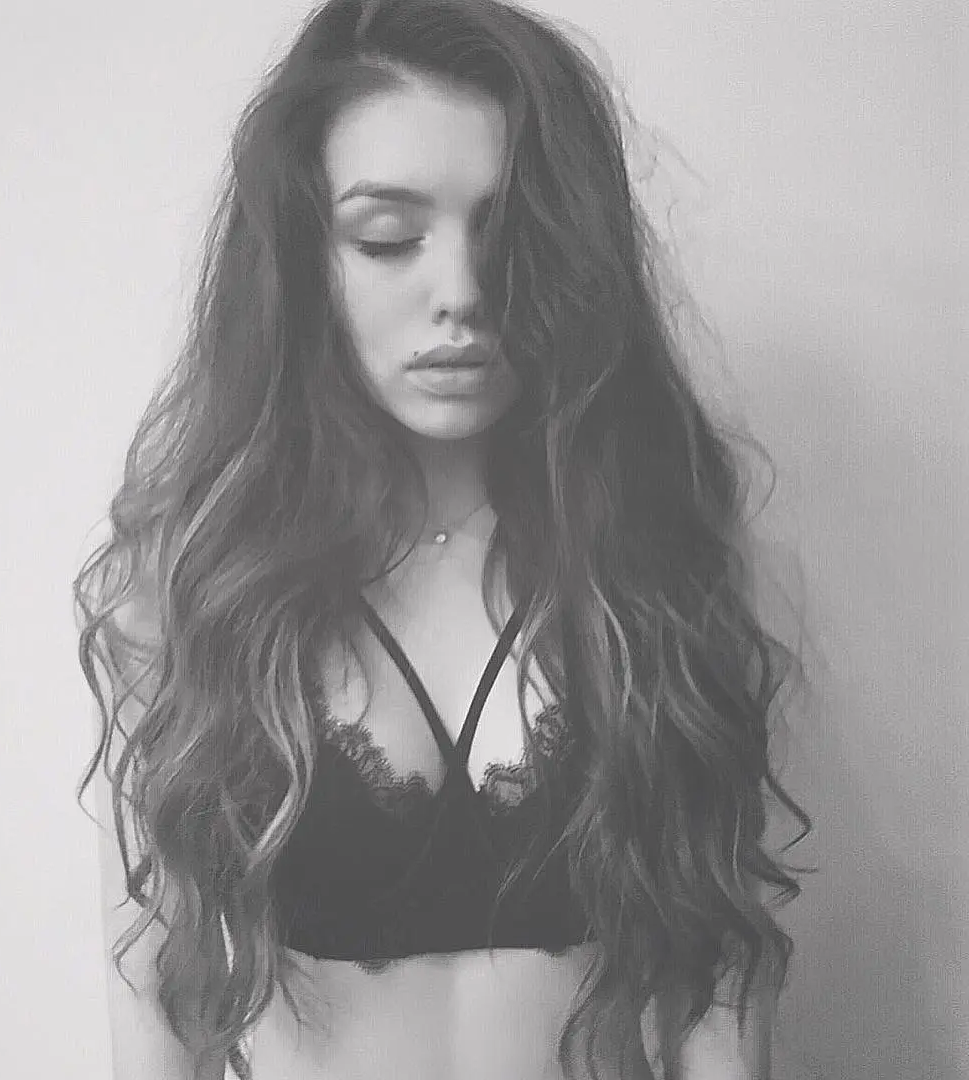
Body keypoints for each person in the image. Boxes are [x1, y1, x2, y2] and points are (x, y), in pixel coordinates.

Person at [74, 0, 810, 1077]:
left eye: (512, 237)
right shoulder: (194, 586)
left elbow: (717, 980)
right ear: (305, 260)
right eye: (388, 239)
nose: (461, 293)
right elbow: (156, 990)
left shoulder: (652, 562)